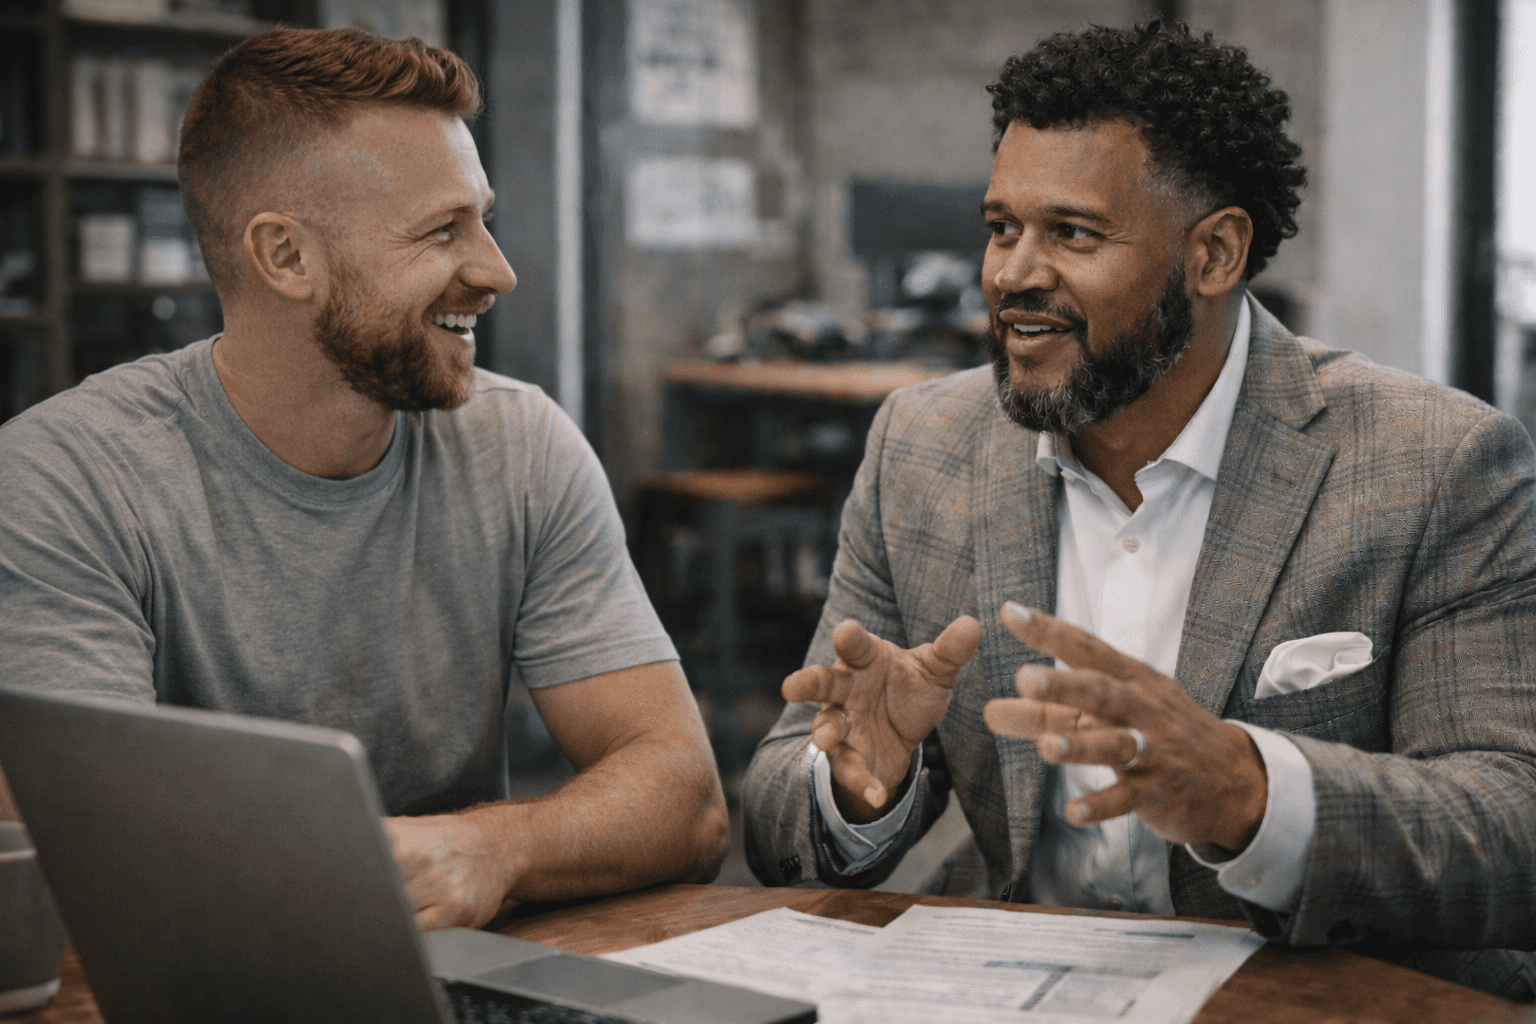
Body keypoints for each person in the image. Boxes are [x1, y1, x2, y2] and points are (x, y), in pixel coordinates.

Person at [744, 19, 1536, 1000]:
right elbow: (778, 812)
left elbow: (1513, 828)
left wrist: (1253, 791)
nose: (1012, 275)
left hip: (1322, 999)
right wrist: (862, 783)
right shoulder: (922, 446)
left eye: (1072, 233)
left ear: (1215, 253)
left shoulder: (1436, 462)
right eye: (1002, 228)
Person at [0, 27, 728, 931]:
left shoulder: (520, 445)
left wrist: (491, 848)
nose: (497, 270)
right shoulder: (63, 482)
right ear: (286, 257)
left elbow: (688, 799)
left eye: (483, 218)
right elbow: (80, 854)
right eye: (442, 230)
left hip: (460, 965)